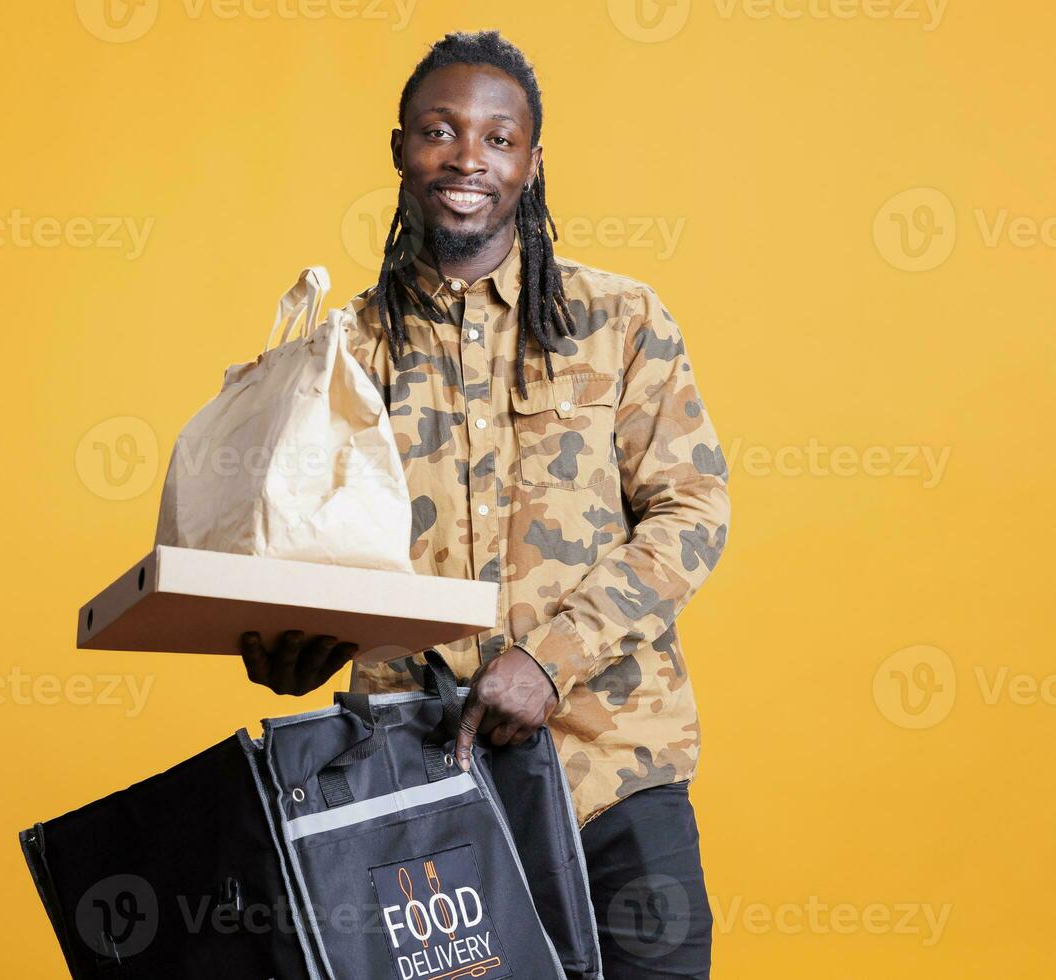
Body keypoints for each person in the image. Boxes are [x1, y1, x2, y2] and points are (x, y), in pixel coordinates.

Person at [238, 30, 729, 978]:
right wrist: (287, 638)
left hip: (614, 776)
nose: (469, 159)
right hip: (417, 796)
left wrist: (551, 661)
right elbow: (300, 547)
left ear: (532, 162)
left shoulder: (621, 322)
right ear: (400, 151)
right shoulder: (338, 357)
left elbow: (692, 512)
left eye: (498, 140)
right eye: (440, 131)